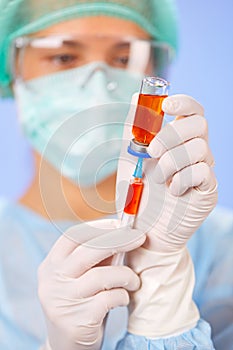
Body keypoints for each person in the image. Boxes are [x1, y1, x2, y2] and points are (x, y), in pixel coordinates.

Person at [0, 0, 232, 349]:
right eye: (64, 58)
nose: (98, 82)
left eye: (124, 59)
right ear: (12, 70)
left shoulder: (220, 247)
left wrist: (163, 282)